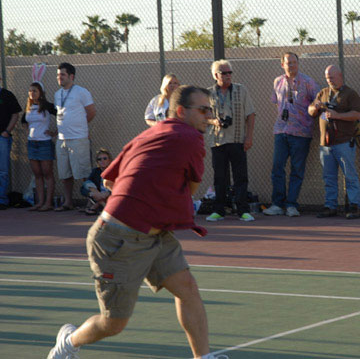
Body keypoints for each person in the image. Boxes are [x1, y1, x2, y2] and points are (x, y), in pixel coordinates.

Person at [47, 85, 226, 359]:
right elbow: (189, 191)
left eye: (210, 110)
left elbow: (109, 179)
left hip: (155, 234)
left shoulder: (149, 134)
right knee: (113, 323)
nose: (208, 116)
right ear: (181, 111)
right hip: (118, 239)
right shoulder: (190, 138)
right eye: (203, 110)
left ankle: (203, 357)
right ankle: (68, 343)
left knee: (187, 288)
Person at [265, 52, 319, 217]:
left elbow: (318, 102)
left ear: (298, 63)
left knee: (297, 170)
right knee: (277, 168)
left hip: (301, 132)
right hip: (281, 130)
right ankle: (277, 204)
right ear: (282, 64)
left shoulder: (308, 82)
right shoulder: (277, 81)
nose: (292, 65)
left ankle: (291, 205)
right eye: (288, 63)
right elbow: (277, 104)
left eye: (294, 62)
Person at [308, 64, 360, 219]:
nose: (329, 80)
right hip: (325, 144)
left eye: (332, 77)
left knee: (350, 175)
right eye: (327, 78)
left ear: (340, 75)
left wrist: (337, 115)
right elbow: (310, 110)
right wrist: (315, 107)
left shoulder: (350, 94)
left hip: (344, 141)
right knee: (329, 177)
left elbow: (357, 114)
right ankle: (330, 205)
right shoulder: (323, 93)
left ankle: (355, 206)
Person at [204, 59, 256, 223]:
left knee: (241, 176)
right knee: (220, 177)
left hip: (237, 139)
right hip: (217, 141)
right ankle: (219, 210)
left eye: (229, 72)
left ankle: (243, 210)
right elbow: (203, 116)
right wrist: (214, 122)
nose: (227, 76)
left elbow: (251, 114)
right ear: (215, 75)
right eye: (223, 73)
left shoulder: (241, 90)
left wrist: (249, 136)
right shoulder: (208, 93)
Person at [54, 62, 96, 211]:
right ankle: (68, 202)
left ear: (71, 76)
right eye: (58, 75)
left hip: (79, 139)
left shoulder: (81, 92)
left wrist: (80, 127)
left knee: (84, 172)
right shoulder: (57, 94)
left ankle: (91, 202)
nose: (60, 77)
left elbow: (91, 112)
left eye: (63, 75)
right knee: (65, 173)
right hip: (62, 139)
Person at [22, 82, 57, 211]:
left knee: (47, 173)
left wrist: (55, 132)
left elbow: (61, 115)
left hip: (45, 143)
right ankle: (40, 202)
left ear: (41, 92)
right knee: (37, 174)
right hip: (32, 144)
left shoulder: (47, 106)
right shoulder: (28, 107)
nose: (32, 93)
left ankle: (48, 203)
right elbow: (23, 121)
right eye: (30, 91)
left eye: (35, 91)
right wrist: (28, 132)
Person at [0, 75, 22, 210]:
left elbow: (15, 114)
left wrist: (6, 131)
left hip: (3, 138)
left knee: (2, 170)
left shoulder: (7, 95)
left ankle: (2, 199)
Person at [80, 148, 113, 216]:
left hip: (109, 193)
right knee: (86, 183)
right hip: (99, 193)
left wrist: (108, 193)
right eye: (99, 159)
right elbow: (87, 183)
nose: (102, 161)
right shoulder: (96, 171)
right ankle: (105, 207)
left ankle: (95, 207)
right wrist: (97, 193)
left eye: (105, 158)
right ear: (97, 162)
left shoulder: (113, 170)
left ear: (109, 160)